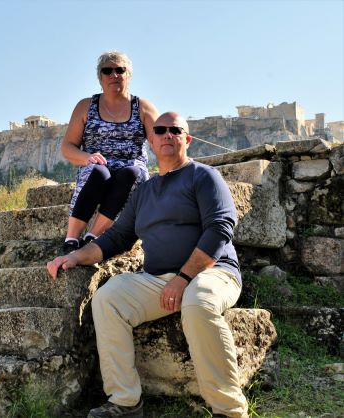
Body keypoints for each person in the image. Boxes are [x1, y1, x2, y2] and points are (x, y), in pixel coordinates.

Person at [47, 112, 248, 418]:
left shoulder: (204, 176)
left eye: (175, 130)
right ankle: (125, 402)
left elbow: (220, 228)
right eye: (160, 130)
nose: (167, 135)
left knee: (198, 302)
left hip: (213, 272)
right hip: (159, 278)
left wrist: (183, 279)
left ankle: (229, 411)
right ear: (151, 141)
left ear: (187, 139)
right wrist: (74, 256)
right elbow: (115, 238)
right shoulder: (144, 191)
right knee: (108, 299)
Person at [59, 51, 159, 255]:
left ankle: (92, 236)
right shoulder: (86, 106)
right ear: (100, 78)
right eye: (107, 71)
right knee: (99, 173)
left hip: (131, 166)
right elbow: (67, 146)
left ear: (128, 75)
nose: (114, 75)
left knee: (130, 173)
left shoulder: (143, 107)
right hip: (96, 163)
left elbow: (160, 139)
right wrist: (87, 157)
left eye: (119, 70)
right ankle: (71, 239)